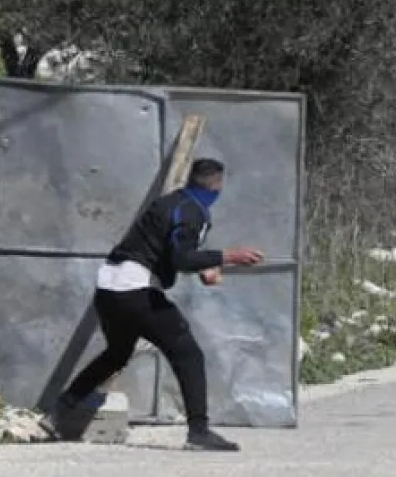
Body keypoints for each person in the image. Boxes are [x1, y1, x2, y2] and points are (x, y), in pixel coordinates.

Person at [40, 159, 265, 451]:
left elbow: (167, 248)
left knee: (117, 354)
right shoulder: (194, 212)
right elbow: (181, 258)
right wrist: (227, 256)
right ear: (217, 185)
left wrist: (204, 268)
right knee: (189, 355)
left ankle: (58, 412)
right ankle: (199, 432)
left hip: (108, 287)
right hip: (136, 290)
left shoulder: (169, 203)